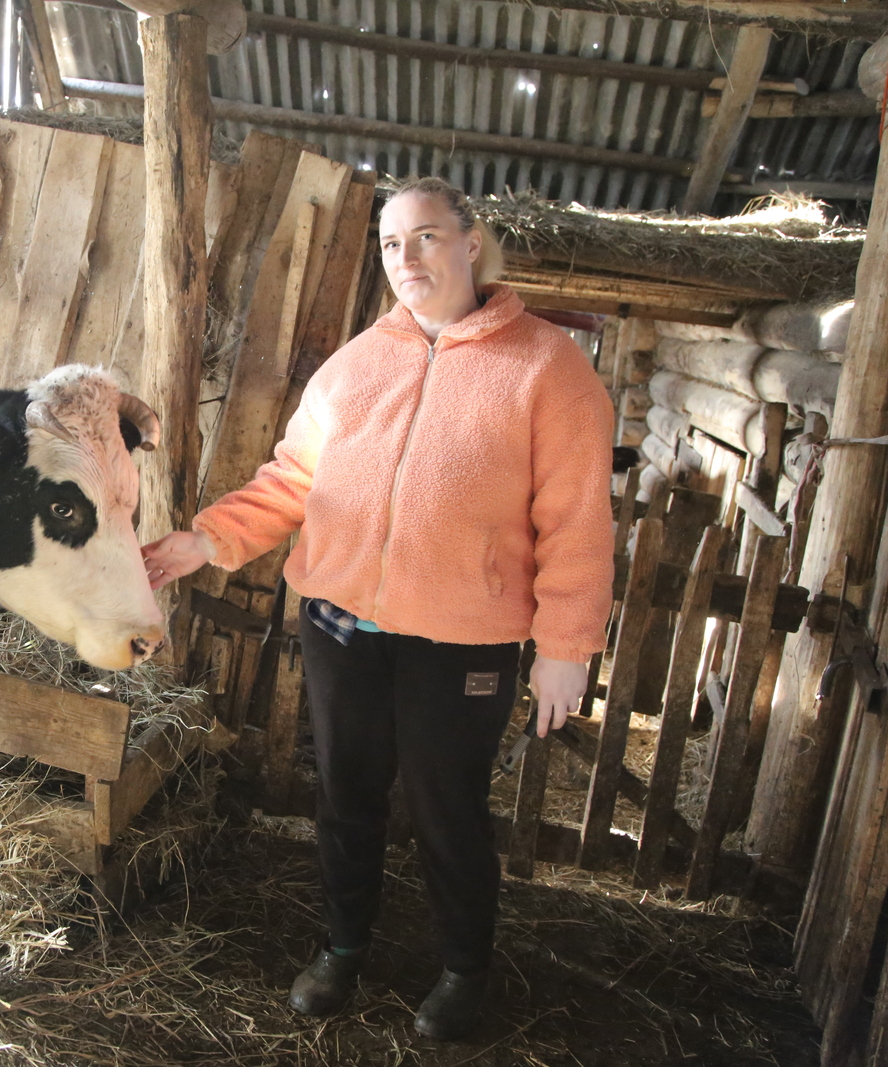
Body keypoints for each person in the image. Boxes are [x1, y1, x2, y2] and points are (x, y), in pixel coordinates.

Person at [142, 176, 614, 1040]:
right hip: (341, 627)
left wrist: (566, 644)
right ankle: (343, 947)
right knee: (346, 795)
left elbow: (577, 520)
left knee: (448, 809)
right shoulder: (360, 361)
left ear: (470, 243)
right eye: (393, 243)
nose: (407, 258)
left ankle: (464, 967)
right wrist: (206, 539)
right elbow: (294, 477)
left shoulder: (549, 367)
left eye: (426, 236)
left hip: (462, 642)